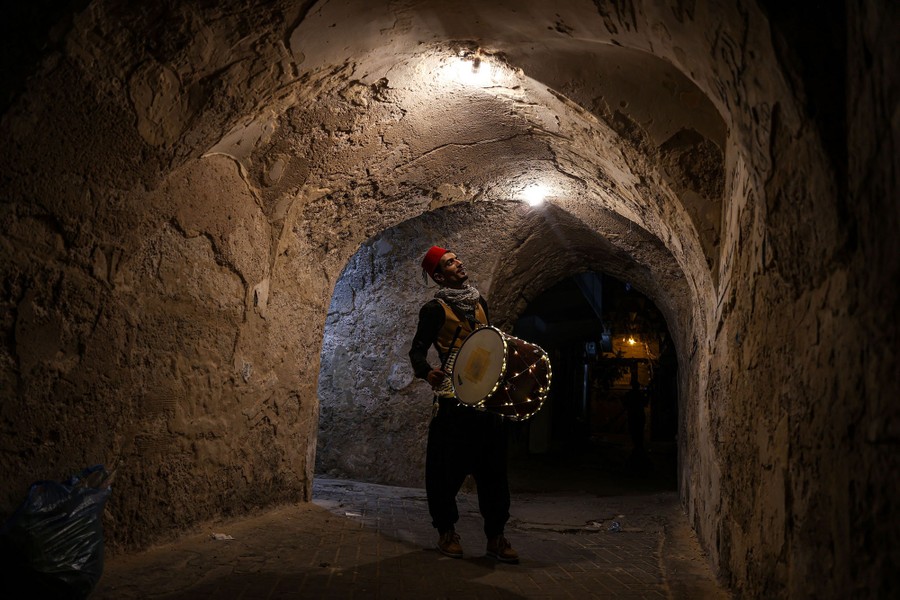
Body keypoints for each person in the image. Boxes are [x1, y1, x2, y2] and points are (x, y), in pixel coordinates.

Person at [408, 245, 519, 564]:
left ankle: (495, 537)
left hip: (487, 399)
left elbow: (488, 344)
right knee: (445, 469)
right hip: (453, 399)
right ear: (439, 276)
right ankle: (446, 531)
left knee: (494, 470)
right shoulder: (434, 309)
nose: (459, 263)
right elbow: (416, 351)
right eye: (449, 262)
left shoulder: (480, 302)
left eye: (457, 258)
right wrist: (427, 372)